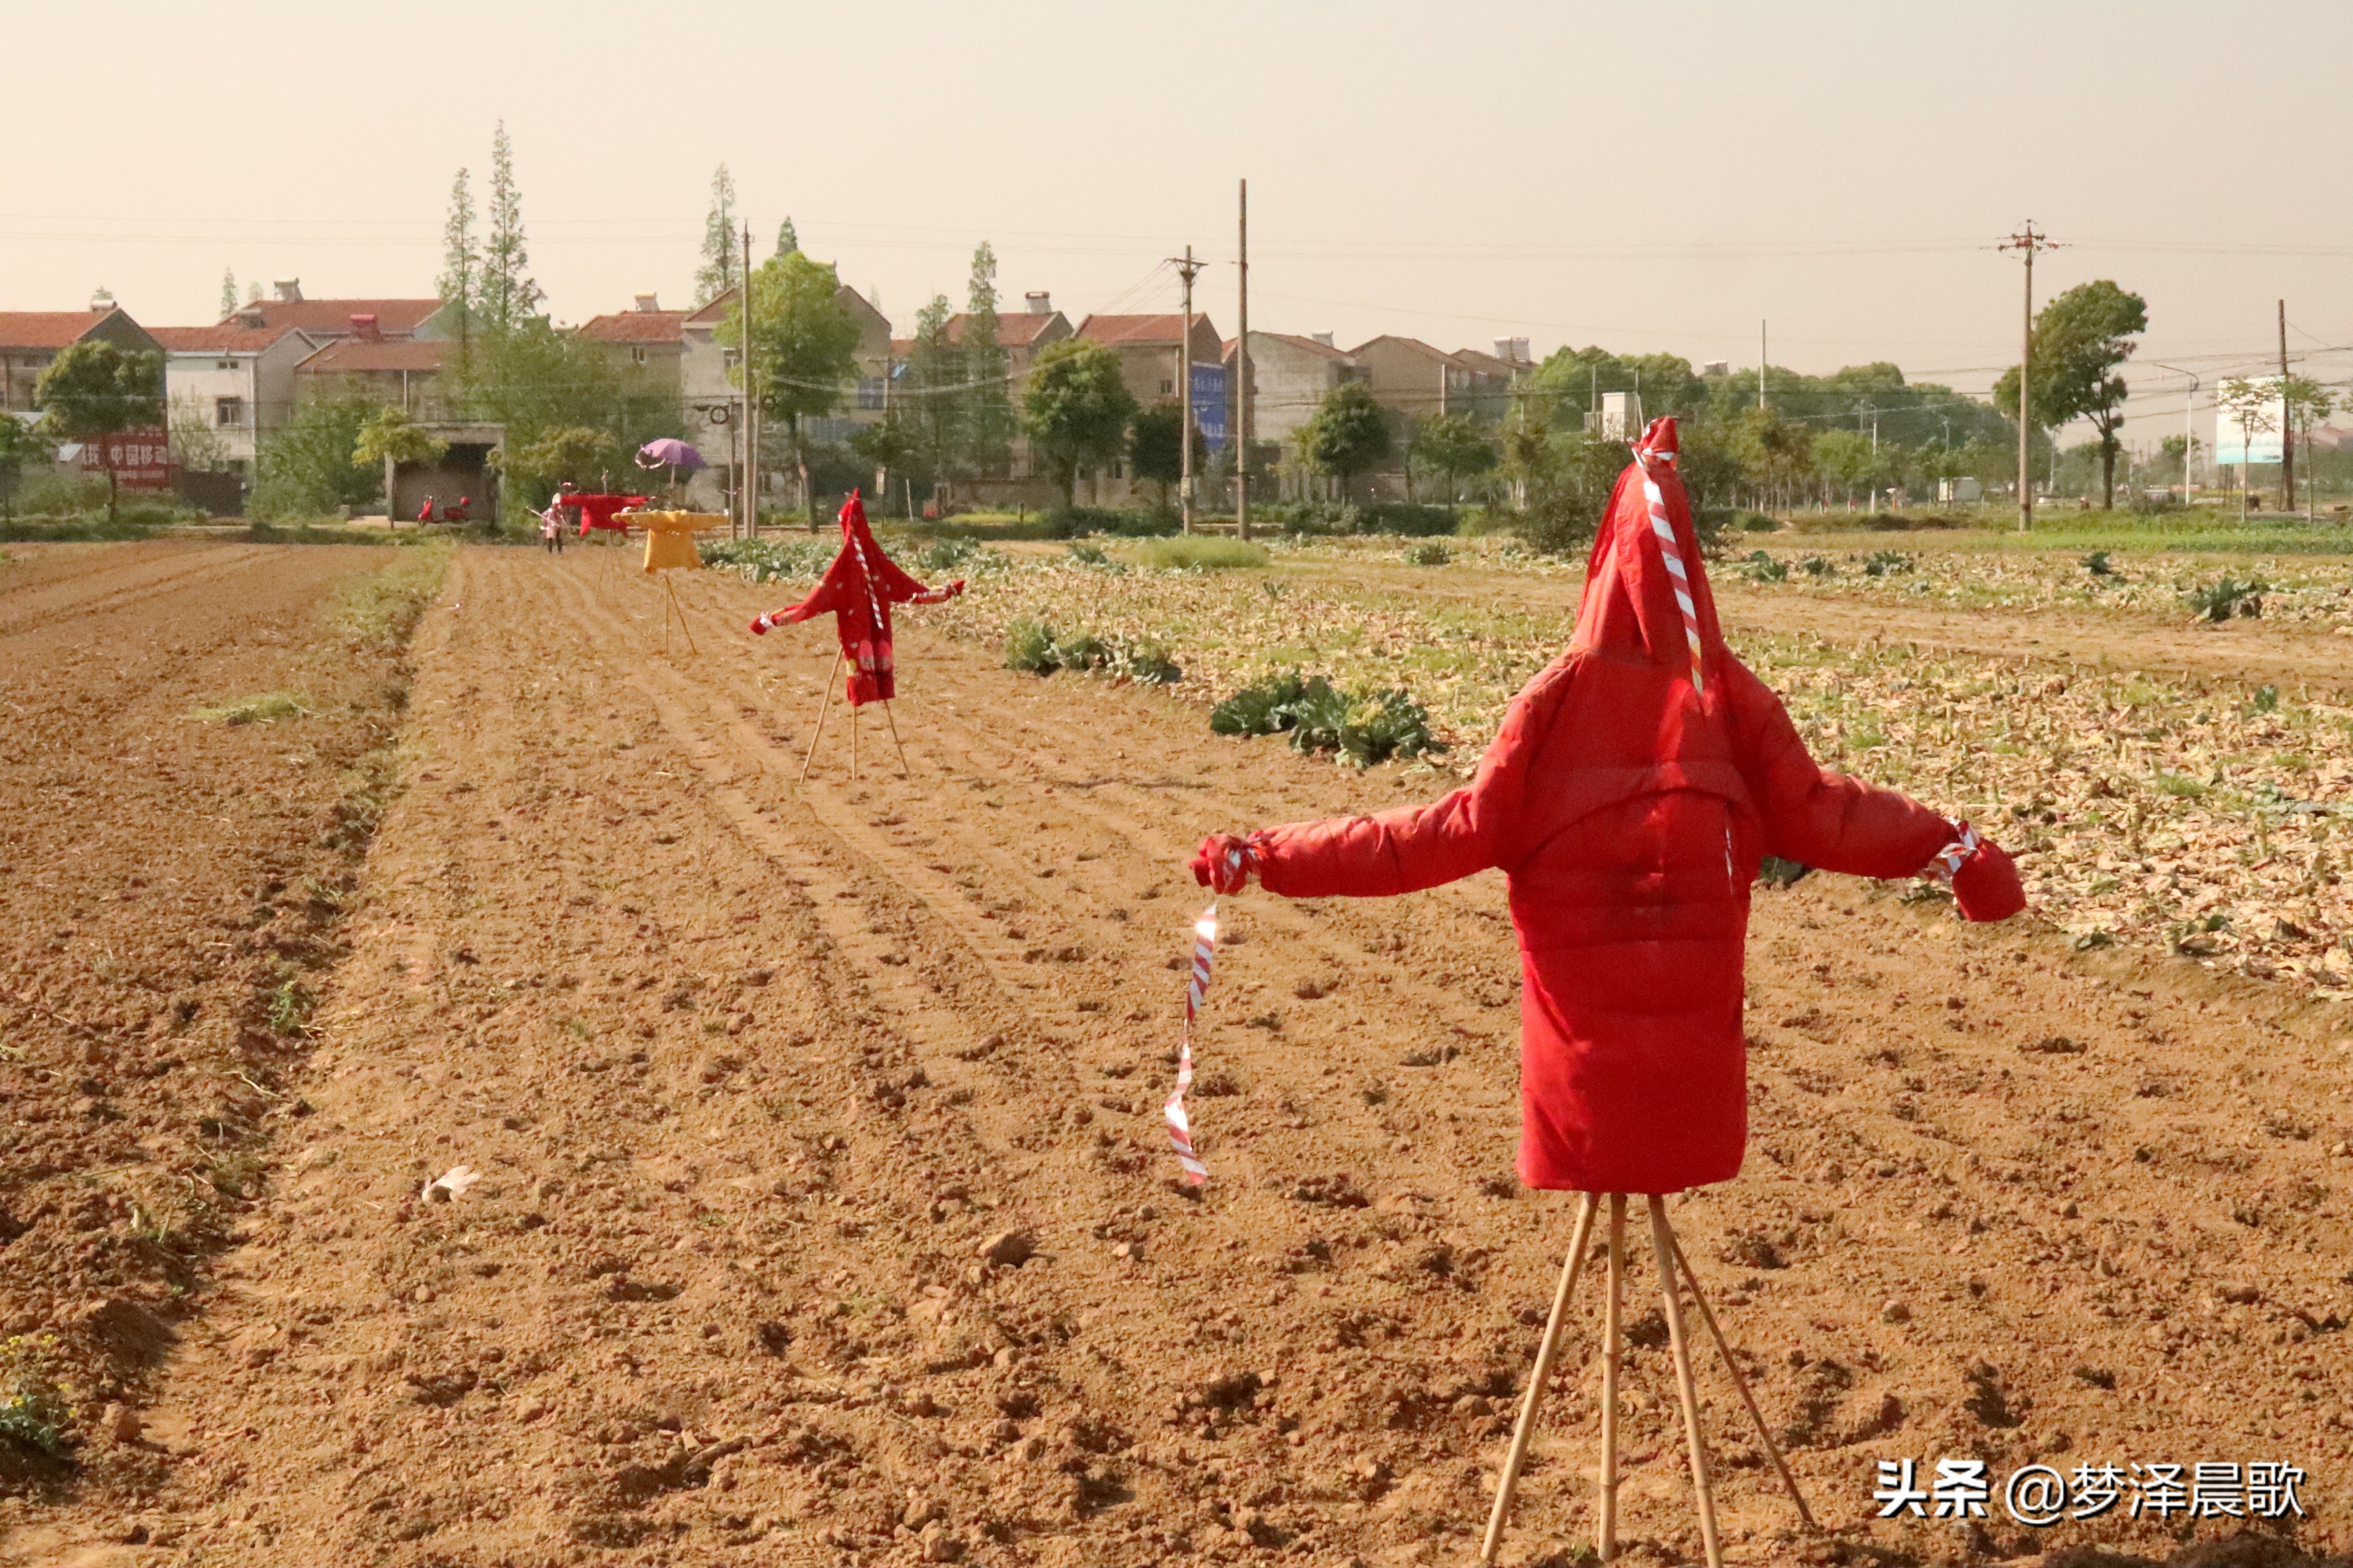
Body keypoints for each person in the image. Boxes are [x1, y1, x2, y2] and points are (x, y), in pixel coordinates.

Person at [1192, 418, 2023, 1198]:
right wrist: (1957, 851)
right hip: (1693, 1074)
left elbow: (1431, 837)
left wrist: (1268, 855)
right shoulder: (1730, 699)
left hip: (1577, 1086)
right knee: (1675, 1162)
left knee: (1595, 1165)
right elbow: (1826, 816)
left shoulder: (1553, 704)